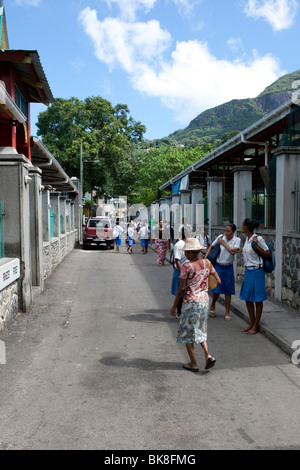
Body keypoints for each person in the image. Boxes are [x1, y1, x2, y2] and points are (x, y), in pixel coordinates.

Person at [170, 238, 221, 372]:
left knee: (187, 333)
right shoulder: (207, 263)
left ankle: (193, 364)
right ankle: (208, 355)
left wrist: (174, 306)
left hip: (191, 302)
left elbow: (181, 289)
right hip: (204, 301)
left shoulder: (187, 266)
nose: (185, 255)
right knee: (200, 330)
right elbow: (218, 281)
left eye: (187, 252)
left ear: (192, 253)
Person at [239, 218, 270, 335]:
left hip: (257, 272)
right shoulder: (246, 239)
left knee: (257, 299)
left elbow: (267, 253)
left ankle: (256, 325)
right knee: (247, 297)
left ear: (247, 227)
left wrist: (256, 245)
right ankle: (251, 322)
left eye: (242, 225)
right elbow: (249, 252)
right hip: (248, 272)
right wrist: (240, 250)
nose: (241, 227)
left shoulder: (258, 239)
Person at [206, 224, 241, 321]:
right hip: (218, 266)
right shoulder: (220, 237)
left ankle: (227, 312)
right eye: (225, 230)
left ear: (233, 231)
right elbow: (211, 246)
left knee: (228, 290)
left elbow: (233, 251)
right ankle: (213, 305)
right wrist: (206, 258)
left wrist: (223, 243)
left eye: (228, 231)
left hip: (228, 267)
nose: (226, 233)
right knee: (216, 288)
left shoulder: (237, 240)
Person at [171, 226, 191, 317]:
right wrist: (182, 273)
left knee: (187, 293)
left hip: (189, 271)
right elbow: (177, 260)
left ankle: (185, 312)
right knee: (180, 293)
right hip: (180, 271)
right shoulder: (179, 244)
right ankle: (179, 313)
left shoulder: (190, 244)